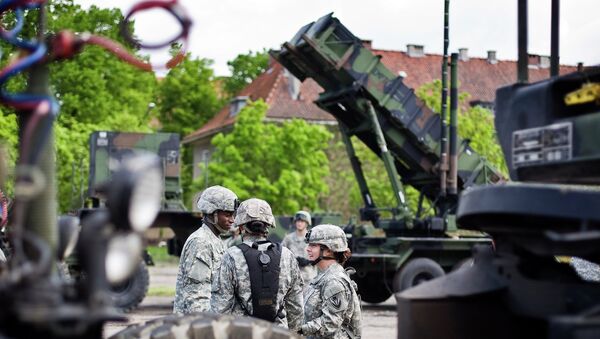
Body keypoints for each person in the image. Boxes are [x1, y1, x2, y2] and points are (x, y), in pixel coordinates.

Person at [210, 198, 304, 331]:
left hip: (243, 332)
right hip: (278, 333)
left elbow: (220, 308)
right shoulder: (287, 256)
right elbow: (296, 307)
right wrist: (292, 333)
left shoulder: (231, 256)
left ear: (241, 226)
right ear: (268, 225)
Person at [173, 185, 238, 314]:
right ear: (213, 213)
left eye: (233, 215)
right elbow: (197, 298)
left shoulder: (214, 239)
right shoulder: (201, 242)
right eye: (227, 215)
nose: (232, 220)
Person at [300, 224, 362, 338]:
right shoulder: (324, 275)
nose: (308, 249)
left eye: (313, 245)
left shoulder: (334, 281)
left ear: (328, 250)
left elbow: (330, 323)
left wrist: (300, 329)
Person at [282, 210, 316, 283]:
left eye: (302, 221)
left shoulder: (313, 238)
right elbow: (281, 255)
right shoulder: (288, 238)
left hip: (309, 278)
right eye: (298, 221)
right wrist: (293, 260)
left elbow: (320, 256)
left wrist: (309, 261)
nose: (299, 223)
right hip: (292, 278)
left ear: (307, 223)